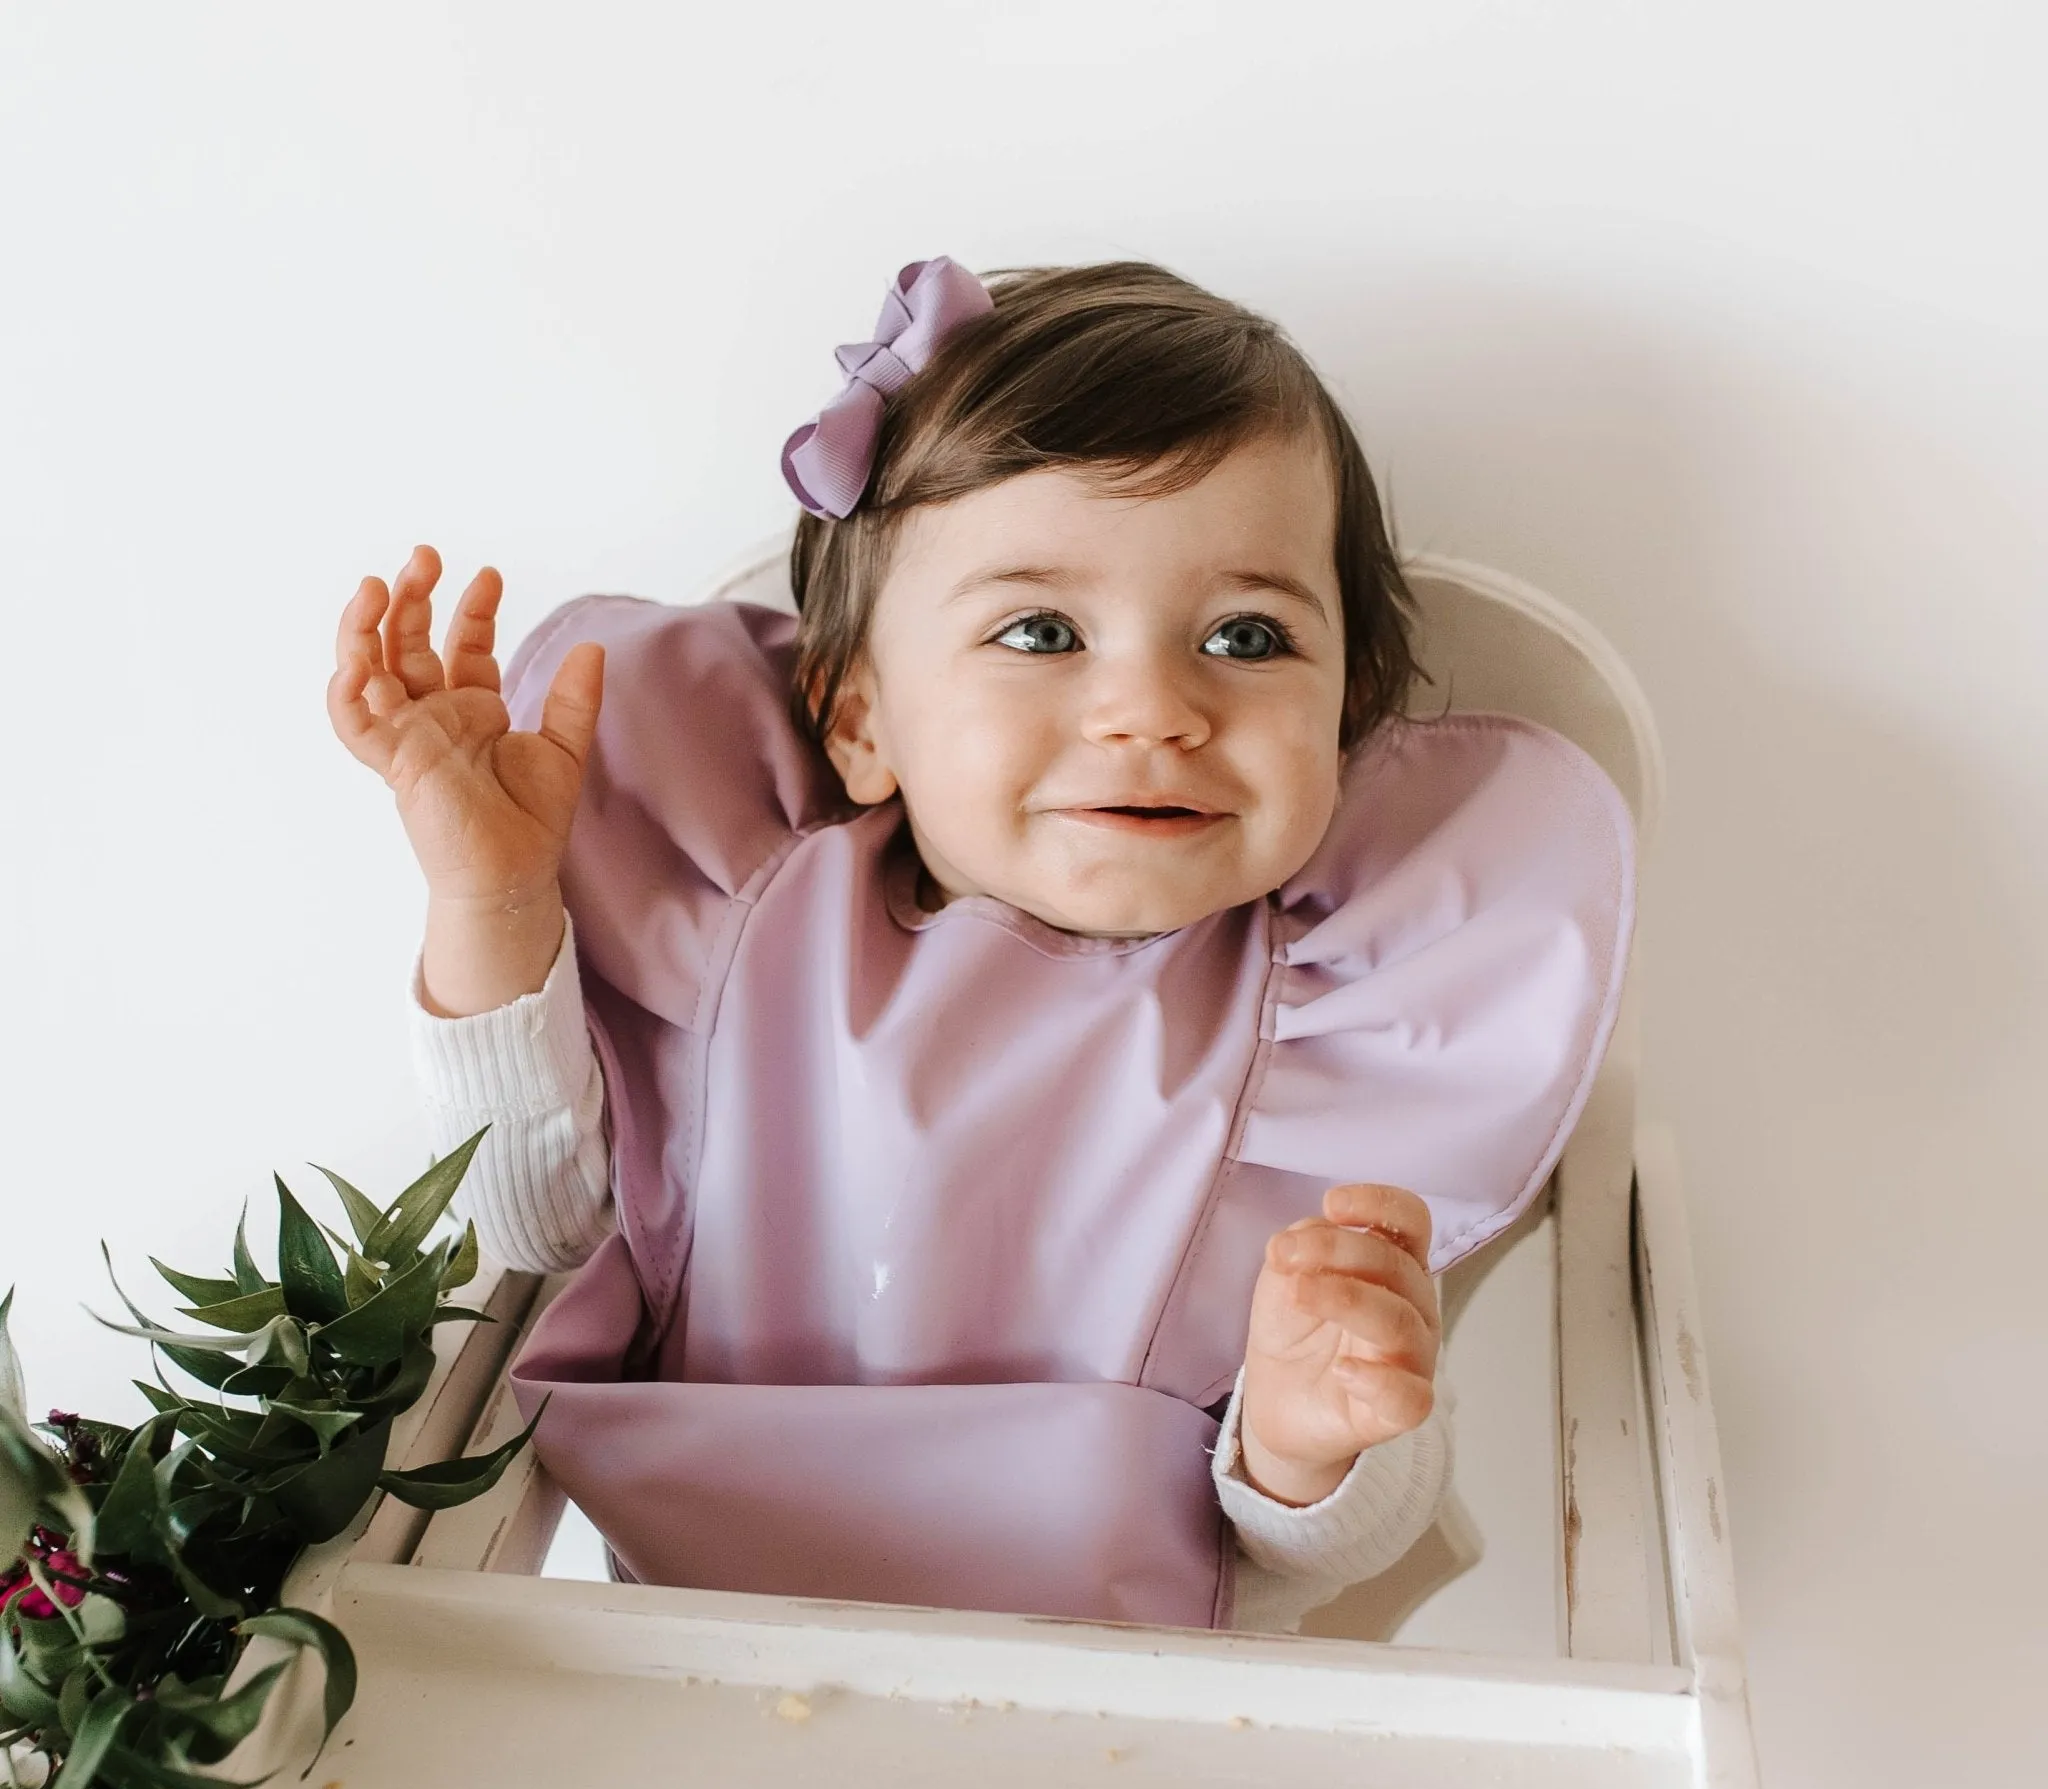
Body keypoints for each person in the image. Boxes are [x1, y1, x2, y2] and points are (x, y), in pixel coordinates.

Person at [328, 258, 1633, 1635]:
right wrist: (492, 905)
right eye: (1042, 631)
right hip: (693, 1660)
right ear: (856, 721)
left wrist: (1313, 1447)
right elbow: (541, 1231)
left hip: (1130, 1706)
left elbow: (1310, 1558)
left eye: (1248, 637)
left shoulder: (1346, 1019)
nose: (1150, 705)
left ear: (1347, 705)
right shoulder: (737, 924)